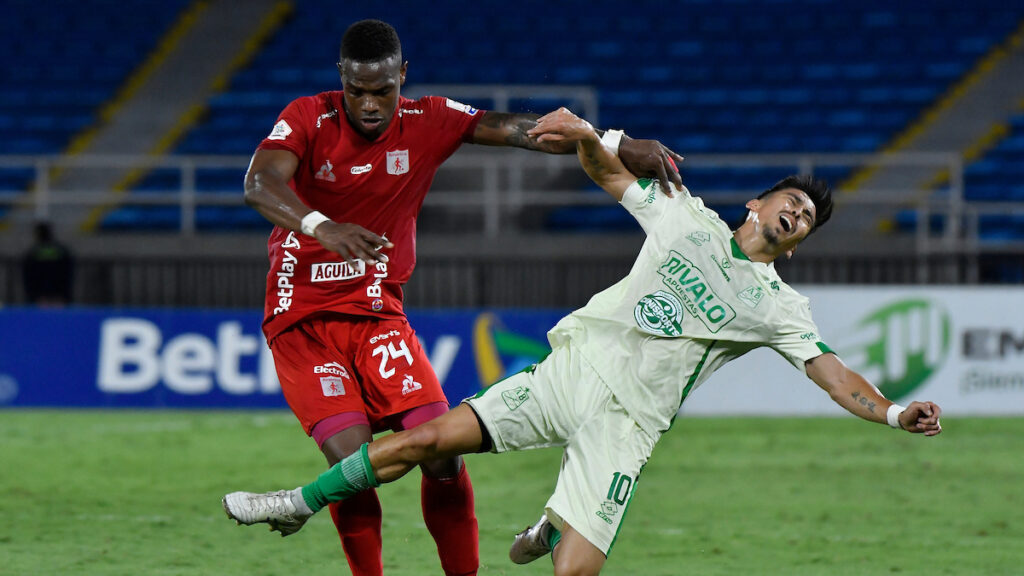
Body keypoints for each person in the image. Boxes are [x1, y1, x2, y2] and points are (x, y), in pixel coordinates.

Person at [225, 106, 943, 574]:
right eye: (792, 202)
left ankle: (553, 524)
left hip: (625, 424)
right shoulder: (683, 218)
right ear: (758, 203)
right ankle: (299, 500)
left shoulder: (778, 305)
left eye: (807, 221)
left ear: (796, 246)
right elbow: (606, 171)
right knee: (426, 441)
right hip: (565, 374)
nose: (795, 215)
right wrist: (595, 135)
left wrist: (889, 412)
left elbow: (831, 372)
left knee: (575, 573)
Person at [239, 20, 685, 576]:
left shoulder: (429, 119)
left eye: (383, 89)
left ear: (403, 76)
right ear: (342, 80)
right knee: (351, 466)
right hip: (303, 319)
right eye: (358, 90)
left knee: (442, 452)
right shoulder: (307, 115)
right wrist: (322, 226)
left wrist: (614, 143)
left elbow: (523, 130)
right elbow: (258, 183)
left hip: (379, 314)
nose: (371, 104)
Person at [22, 221, 74, 306]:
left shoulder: (33, 253)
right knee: (58, 318)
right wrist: (66, 295)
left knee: (43, 318)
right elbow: (68, 274)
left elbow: (28, 276)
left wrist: (31, 296)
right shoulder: (61, 251)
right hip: (59, 295)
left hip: (41, 296)